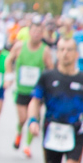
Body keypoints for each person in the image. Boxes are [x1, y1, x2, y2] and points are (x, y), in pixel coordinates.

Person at [6, 20, 50, 156]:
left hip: (36, 92)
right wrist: (9, 76)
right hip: (21, 89)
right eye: (34, 31)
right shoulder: (19, 47)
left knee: (33, 118)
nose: (37, 34)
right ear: (29, 32)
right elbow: (8, 60)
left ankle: (27, 145)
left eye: (39, 32)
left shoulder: (45, 50)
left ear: (42, 34)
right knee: (22, 118)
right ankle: (19, 131)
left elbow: (51, 68)